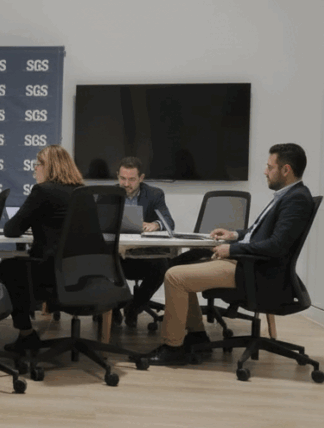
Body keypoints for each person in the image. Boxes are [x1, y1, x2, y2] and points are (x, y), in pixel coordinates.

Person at [146, 143, 313, 366]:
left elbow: (276, 246)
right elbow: (256, 233)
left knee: (175, 277)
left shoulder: (296, 199)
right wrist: (233, 234)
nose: (265, 171)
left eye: (269, 167)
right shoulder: (287, 195)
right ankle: (197, 335)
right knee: (180, 268)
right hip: (249, 263)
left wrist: (231, 250)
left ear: (286, 170)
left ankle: (173, 348)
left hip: (257, 272)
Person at [0, 144, 84, 353]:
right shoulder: (82, 192)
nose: (35, 168)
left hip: (51, 275)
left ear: (49, 166)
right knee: (16, 269)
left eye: (38, 164)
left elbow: (12, 229)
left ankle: (24, 333)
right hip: (80, 274)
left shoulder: (43, 190)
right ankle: (8, 335)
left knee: (8, 269)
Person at [115, 156, 176, 328]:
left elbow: (169, 222)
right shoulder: (108, 194)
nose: (126, 184)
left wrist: (155, 225)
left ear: (141, 178)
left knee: (162, 266)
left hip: (143, 256)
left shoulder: (154, 194)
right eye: (122, 178)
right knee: (102, 263)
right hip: (116, 255)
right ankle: (113, 309)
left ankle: (134, 307)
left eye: (131, 179)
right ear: (117, 176)